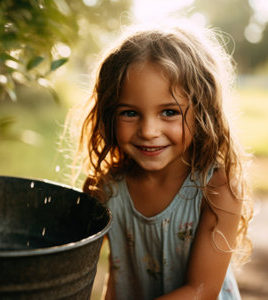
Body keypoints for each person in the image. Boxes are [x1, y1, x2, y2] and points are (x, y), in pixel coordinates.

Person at [71, 21, 253, 300]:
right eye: (130, 113)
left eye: (169, 112)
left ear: (201, 113)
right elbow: (118, 276)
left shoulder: (218, 188)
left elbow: (201, 291)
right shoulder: (107, 190)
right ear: (110, 115)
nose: (148, 131)